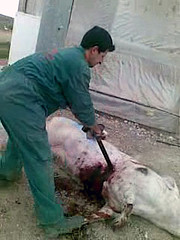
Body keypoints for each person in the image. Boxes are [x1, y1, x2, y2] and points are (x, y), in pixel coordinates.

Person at [0, 26, 115, 237]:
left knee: (21, 138)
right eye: (103, 55)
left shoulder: (69, 54)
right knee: (40, 156)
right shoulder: (79, 65)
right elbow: (81, 102)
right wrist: (93, 125)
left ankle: (6, 171)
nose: (101, 61)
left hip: (7, 87)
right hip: (20, 97)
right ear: (94, 49)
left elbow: (71, 96)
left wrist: (89, 123)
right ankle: (52, 221)